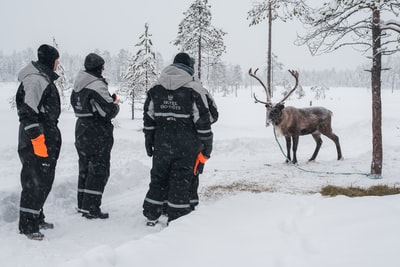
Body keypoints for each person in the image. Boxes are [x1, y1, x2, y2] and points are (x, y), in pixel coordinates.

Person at [142, 52, 213, 225]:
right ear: (189, 67)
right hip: (187, 143)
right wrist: (207, 146)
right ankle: (177, 216)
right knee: (181, 178)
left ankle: (152, 212)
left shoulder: (156, 88)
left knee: (159, 176)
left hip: (162, 141)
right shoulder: (194, 89)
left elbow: (149, 117)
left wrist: (149, 139)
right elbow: (203, 120)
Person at [16, 44, 61, 240]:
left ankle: (36, 216)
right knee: (34, 181)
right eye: (57, 61)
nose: (58, 65)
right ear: (50, 60)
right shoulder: (36, 80)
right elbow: (27, 112)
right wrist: (37, 139)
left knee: (43, 180)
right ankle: (27, 225)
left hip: (44, 135)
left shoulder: (42, 78)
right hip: (37, 138)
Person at [70, 53, 119, 219]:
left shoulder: (79, 83)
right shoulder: (97, 85)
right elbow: (108, 111)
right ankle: (91, 207)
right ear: (98, 67)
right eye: (102, 67)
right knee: (99, 168)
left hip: (81, 127)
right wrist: (115, 104)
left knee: (84, 167)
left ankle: (82, 204)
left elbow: (84, 104)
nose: (103, 70)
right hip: (97, 130)